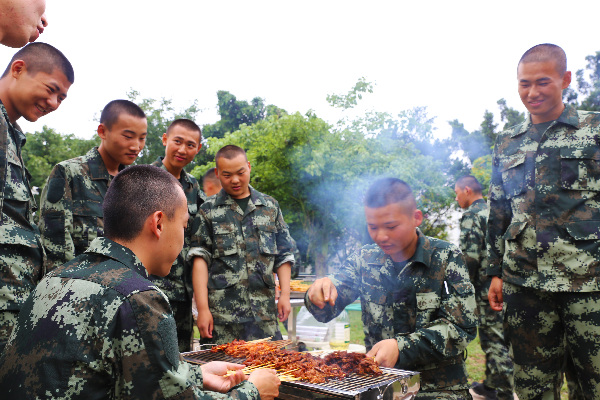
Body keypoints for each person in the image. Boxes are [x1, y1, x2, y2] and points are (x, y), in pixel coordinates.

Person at [0, 165, 280, 399]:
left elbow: (112, 369)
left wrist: (194, 372)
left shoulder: (55, 279)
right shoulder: (136, 298)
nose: (183, 242)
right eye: (183, 227)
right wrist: (253, 392)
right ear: (158, 223)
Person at [487, 43, 600, 398]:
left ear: (565, 79)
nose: (532, 92)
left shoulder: (593, 130)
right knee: (533, 388)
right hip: (525, 284)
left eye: (542, 82)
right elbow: (499, 211)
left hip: (589, 284)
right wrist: (494, 271)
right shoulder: (507, 143)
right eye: (524, 84)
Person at [306, 178, 478, 399]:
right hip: (380, 387)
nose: (381, 236)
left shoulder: (446, 257)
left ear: (416, 218)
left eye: (391, 226)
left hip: (438, 388)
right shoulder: (364, 260)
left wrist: (401, 347)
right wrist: (316, 295)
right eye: (372, 227)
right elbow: (328, 305)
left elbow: (462, 327)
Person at [0, 42, 73, 354]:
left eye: (62, 98)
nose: (54, 103)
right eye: (51, 89)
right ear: (18, 69)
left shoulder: (11, 135)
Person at [190, 145, 294, 344]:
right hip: (223, 320)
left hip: (264, 317)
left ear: (249, 167)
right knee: (223, 373)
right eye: (227, 175)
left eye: (240, 172)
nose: (235, 180)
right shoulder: (208, 211)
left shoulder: (270, 207)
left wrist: (285, 296)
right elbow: (199, 259)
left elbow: (284, 254)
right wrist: (202, 310)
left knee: (270, 371)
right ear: (218, 174)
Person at [38, 99, 147, 271]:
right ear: (102, 131)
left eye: (142, 138)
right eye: (128, 136)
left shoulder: (137, 183)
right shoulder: (69, 173)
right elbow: (55, 245)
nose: (136, 146)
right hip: (78, 288)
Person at [454, 175, 514, 400]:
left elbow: (469, 257)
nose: (457, 197)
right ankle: (491, 385)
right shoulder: (494, 212)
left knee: (493, 339)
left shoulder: (471, 216)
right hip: (504, 283)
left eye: (457, 192)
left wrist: (461, 287)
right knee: (497, 335)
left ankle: (505, 393)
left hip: (485, 288)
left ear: (467, 190)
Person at [150, 118, 206, 352]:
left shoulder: (194, 188)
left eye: (190, 145)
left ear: (198, 149)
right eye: (177, 141)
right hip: (149, 290)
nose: (183, 150)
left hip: (182, 296)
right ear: (165, 139)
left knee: (180, 357)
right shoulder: (144, 180)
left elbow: (200, 239)